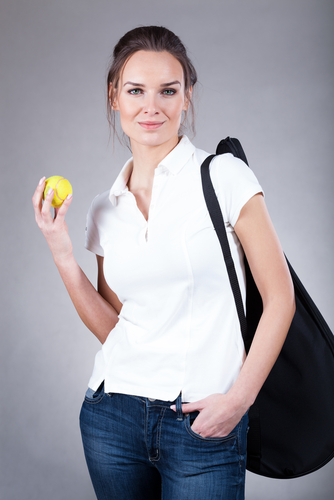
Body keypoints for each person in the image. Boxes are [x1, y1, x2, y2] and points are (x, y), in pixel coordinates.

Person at [32, 26, 295, 500]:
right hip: (112, 417)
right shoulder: (104, 208)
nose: (150, 106)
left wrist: (239, 400)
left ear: (186, 97)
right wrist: (61, 249)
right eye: (135, 90)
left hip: (200, 423)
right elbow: (114, 328)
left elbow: (280, 298)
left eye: (167, 91)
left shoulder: (225, 177)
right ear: (115, 97)